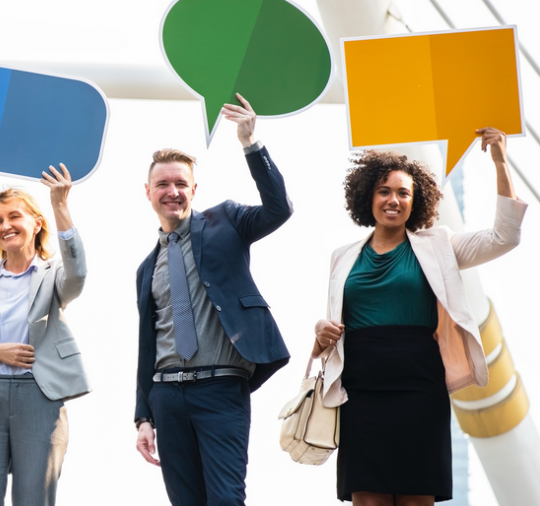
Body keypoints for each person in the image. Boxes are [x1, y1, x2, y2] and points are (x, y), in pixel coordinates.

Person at [314, 128, 527, 505]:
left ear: (417, 202)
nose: (393, 200)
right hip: (360, 389)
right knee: (368, 499)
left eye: (403, 193)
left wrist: (499, 162)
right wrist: (320, 330)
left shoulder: (439, 246)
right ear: (369, 196)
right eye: (384, 191)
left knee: (416, 499)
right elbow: (334, 321)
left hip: (420, 386)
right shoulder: (342, 257)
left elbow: (504, 237)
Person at [133, 93, 293, 505]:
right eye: (163, 184)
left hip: (221, 389)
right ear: (147, 192)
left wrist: (250, 142)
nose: (173, 191)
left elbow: (278, 209)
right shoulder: (146, 268)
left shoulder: (227, 222)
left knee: (225, 499)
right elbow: (147, 345)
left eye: (181, 184)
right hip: (166, 396)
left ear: (194, 189)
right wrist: (143, 416)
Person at [0, 164, 88, 506]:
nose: (5, 226)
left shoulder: (53, 275)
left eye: (13, 216)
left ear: (36, 223)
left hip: (39, 394)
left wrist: (60, 206)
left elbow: (77, 274)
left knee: (34, 500)